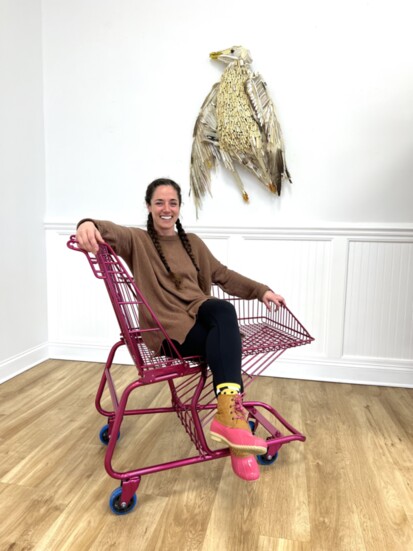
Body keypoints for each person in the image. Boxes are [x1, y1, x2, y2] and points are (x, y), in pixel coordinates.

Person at [76, 178, 286, 481]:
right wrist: (87, 223)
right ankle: (236, 432)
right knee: (225, 339)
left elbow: (223, 276)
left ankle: (230, 416)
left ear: (179, 208)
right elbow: (108, 230)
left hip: (199, 316)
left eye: (172, 203)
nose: (166, 208)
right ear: (149, 206)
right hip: (168, 332)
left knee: (223, 310)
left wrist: (261, 291)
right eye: (159, 202)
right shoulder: (138, 240)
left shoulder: (194, 244)